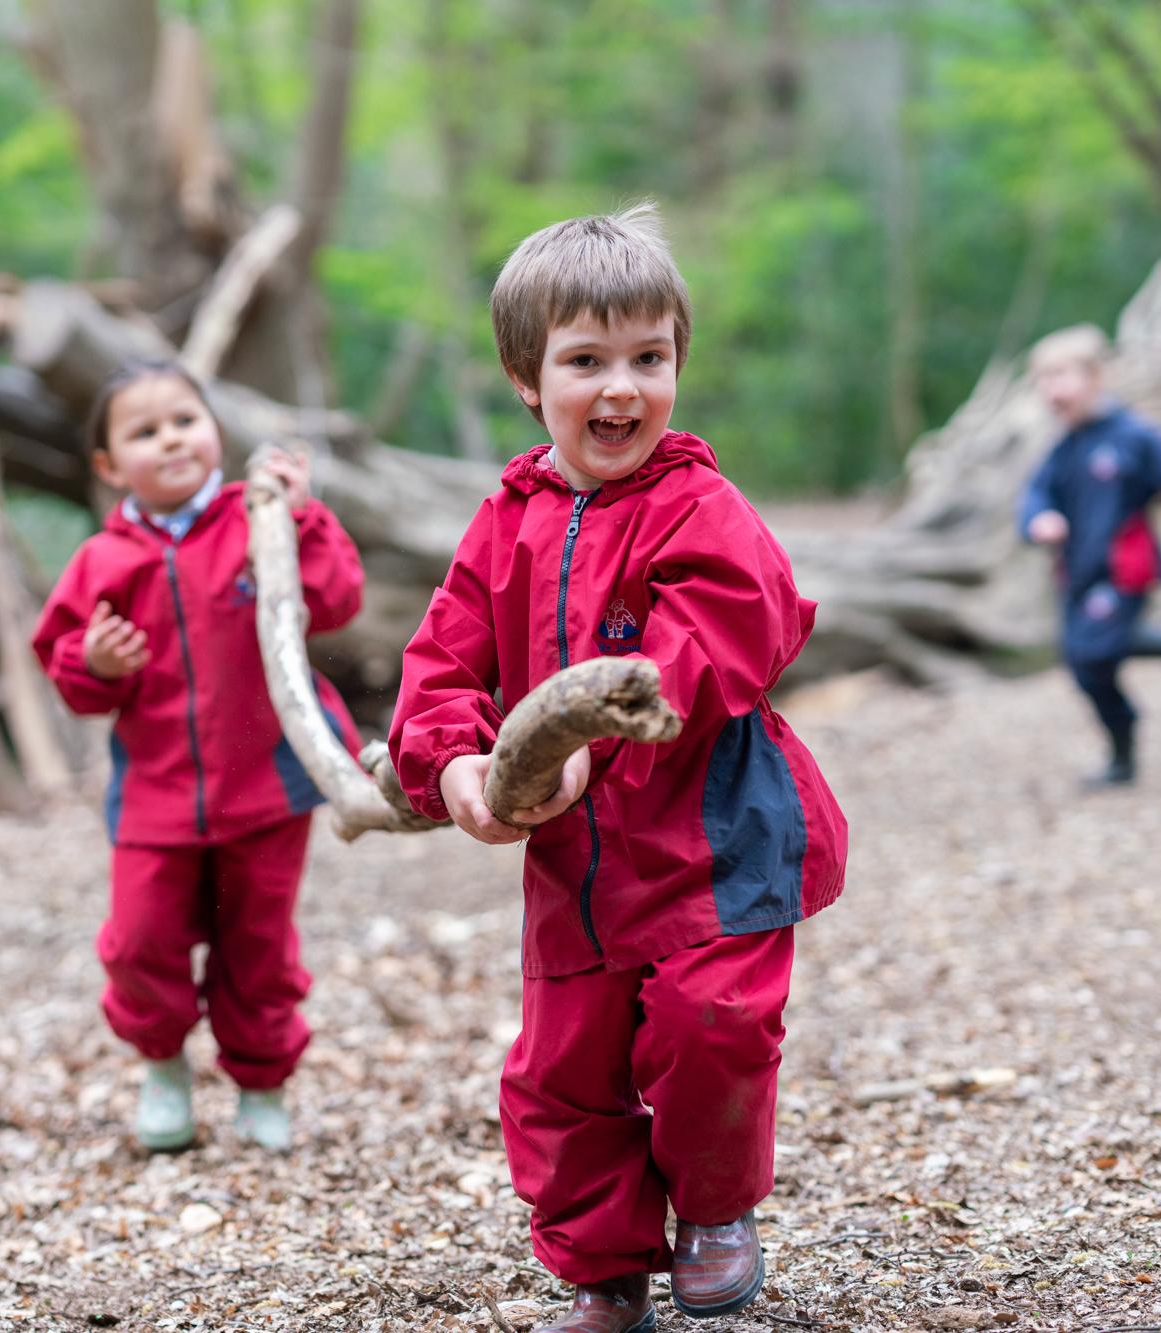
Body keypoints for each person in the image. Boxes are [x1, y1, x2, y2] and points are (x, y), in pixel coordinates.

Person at [388, 204, 848, 1333]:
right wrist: (456, 764)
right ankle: (603, 1273)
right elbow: (442, 663)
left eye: (649, 358)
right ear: (524, 377)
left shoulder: (700, 505)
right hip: (578, 869)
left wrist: (592, 733)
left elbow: (730, 631)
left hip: (713, 842)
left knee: (709, 1024)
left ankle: (715, 1208)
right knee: (562, 1074)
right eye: (586, 361)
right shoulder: (505, 524)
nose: (623, 388)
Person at [30, 360, 364, 1153]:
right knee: (141, 938)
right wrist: (95, 662)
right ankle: (163, 1065)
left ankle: (262, 1082)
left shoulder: (258, 520)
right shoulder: (103, 560)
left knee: (258, 943)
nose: (171, 439)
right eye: (144, 432)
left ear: (215, 430)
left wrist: (302, 518)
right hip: (157, 794)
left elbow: (337, 599)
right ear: (110, 465)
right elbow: (67, 667)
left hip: (267, 784)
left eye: (185, 420)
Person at [1017, 324, 1161, 788]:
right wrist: (1039, 518)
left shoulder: (1132, 436)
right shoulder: (1061, 448)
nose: (1051, 389)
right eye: (1043, 379)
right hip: (1077, 573)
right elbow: (1035, 495)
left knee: (1092, 650)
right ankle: (1124, 754)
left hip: (1123, 570)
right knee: (1082, 664)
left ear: (1096, 377)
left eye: (1061, 376)